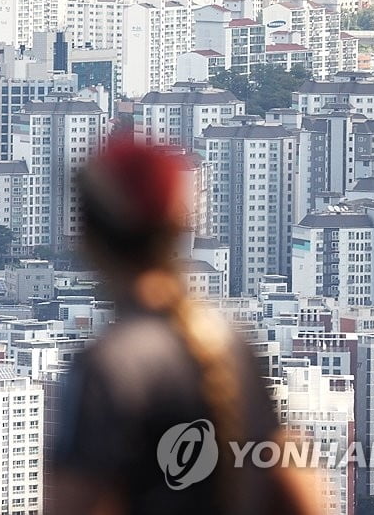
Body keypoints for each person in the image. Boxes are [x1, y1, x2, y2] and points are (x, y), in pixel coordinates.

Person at [50, 137, 321, 515]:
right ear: (176, 225)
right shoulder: (231, 341)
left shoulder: (108, 368)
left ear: (91, 240)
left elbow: (77, 502)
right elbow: (293, 488)